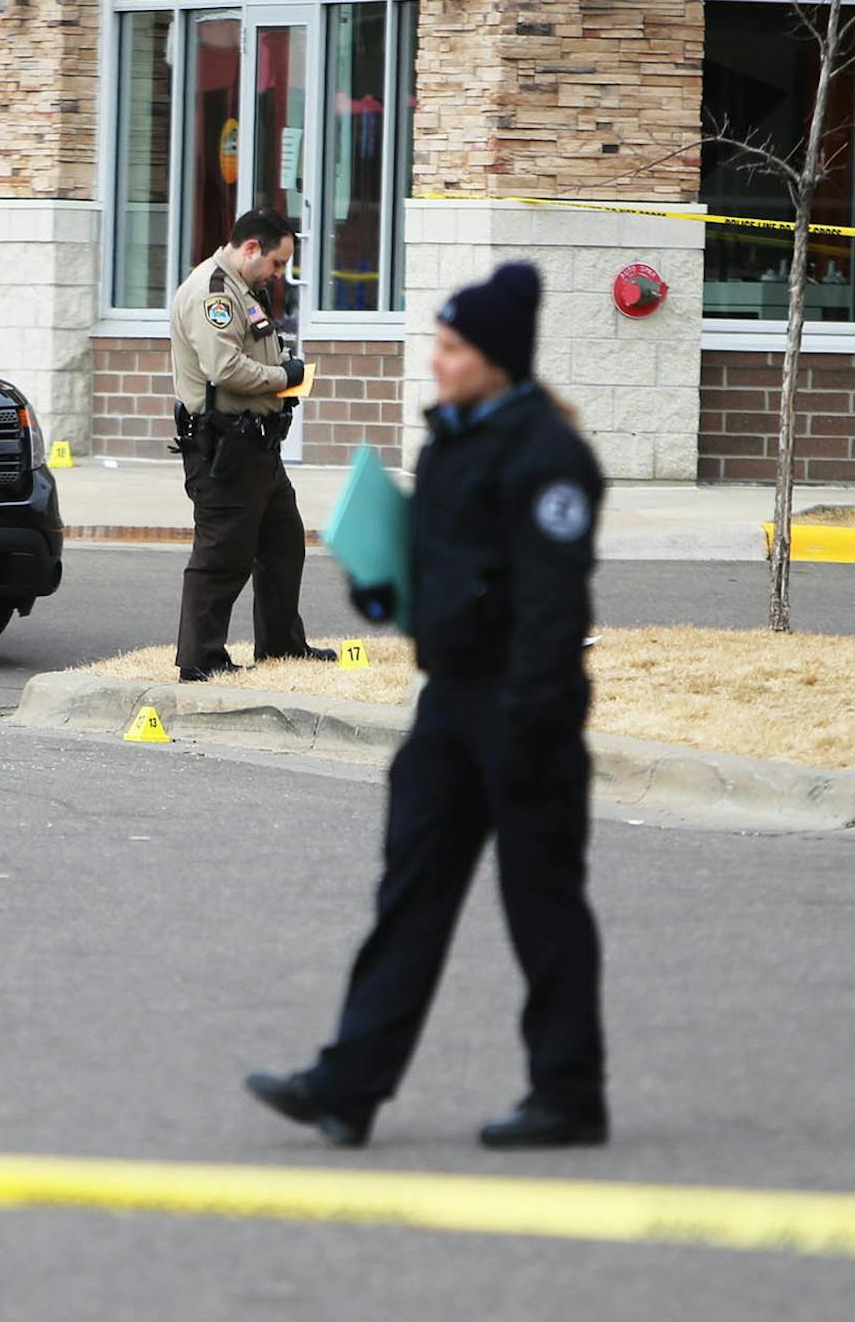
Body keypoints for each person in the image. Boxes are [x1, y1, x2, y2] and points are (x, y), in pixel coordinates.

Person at [245, 261, 609, 1150]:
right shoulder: (452, 438)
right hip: (449, 710)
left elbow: (552, 610)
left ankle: (568, 1095)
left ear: (496, 359)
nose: (437, 362)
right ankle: (347, 1086)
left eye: (450, 348)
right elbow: (443, 566)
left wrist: (527, 721)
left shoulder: (550, 457)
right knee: (409, 893)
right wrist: (384, 589)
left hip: (527, 713)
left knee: (542, 904)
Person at [168, 208, 334, 682]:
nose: (279, 274)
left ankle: (282, 645)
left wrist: (282, 364)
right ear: (251, 248)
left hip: (258, 446)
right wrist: (285, 377)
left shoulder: (245, 291)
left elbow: (253, 351)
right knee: (222, 554)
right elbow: (225, 369)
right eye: (278, 264)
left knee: (284, 544)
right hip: (225, 447)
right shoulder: (213, 293)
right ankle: (200, 659)